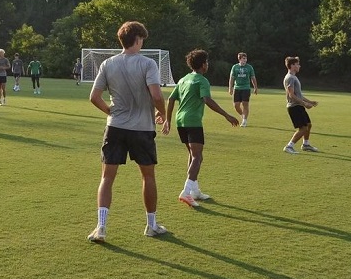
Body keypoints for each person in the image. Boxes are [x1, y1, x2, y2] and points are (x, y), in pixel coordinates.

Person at [87, 21, 168, 242]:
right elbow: (157, 95)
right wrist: (164, 114)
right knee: (148, 176)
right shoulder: (148, 64)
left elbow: (94, 97)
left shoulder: (108, 64)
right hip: (142, 129)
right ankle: (151, 225)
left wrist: (110, 111)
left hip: (115, 127)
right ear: (138, 40)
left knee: (107, 177)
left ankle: (101, 227)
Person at [164, 49, 239, 208]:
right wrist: (226, 115)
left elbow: (170, 99)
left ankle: (195, 191)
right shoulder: (202, 80)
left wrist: (167, 121)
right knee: (197, 157)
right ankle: (186, 192)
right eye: (207, 62)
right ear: (203, 64)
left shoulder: (183, 79)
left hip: (180, 120)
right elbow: (207, 100)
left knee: (193, 156)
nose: (208, 64)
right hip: (193, 121)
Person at [282, 56, 319, 154]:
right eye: (297, 64)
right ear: (292, 65)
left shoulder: (294, 77)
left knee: (308, 125)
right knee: (303, 129)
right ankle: (289, 146)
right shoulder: (290, 78)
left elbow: (299, 95)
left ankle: (306, 145)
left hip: (298, 106)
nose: (299, 66)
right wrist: (304, 104)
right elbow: (291, 95)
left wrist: (310, 102)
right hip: (294, 107)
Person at [228, 52, 258, 127]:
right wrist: (230, 88)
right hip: (237, 88)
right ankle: (242, 115)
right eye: (243, 58)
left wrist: (255, 87)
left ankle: (244, 120)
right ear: (239, 59)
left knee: (245, 104)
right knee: (236, 105)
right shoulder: (235, 67)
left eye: (246, 58)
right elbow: (231, 78)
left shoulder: (249, 67)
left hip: (246, 88)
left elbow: (253, 78)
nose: (245, 60)